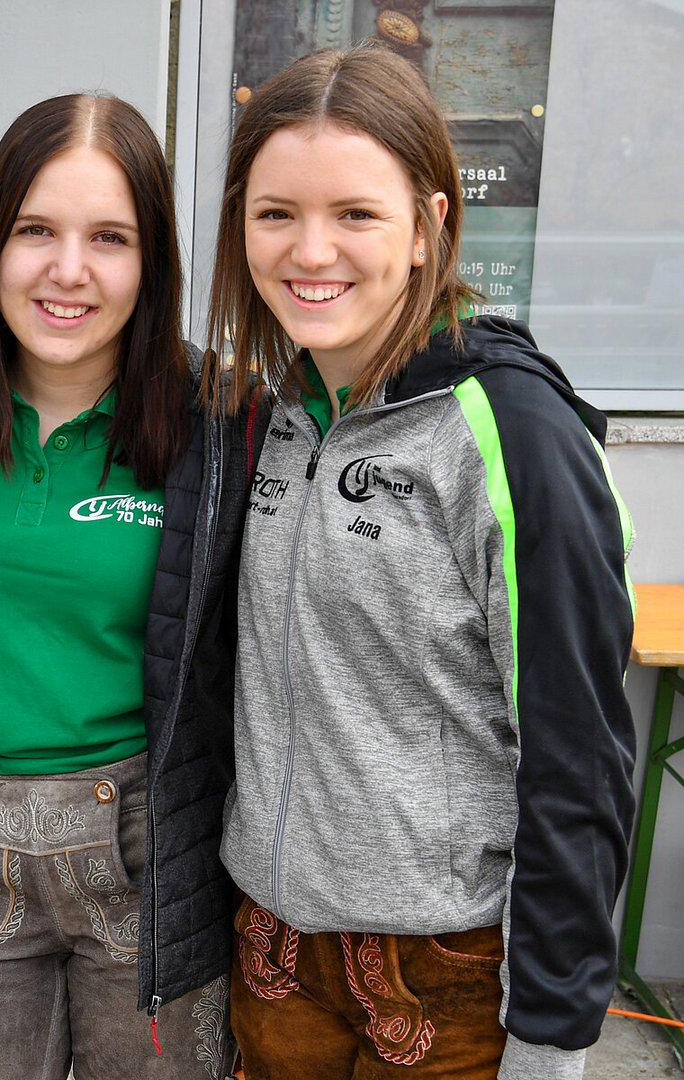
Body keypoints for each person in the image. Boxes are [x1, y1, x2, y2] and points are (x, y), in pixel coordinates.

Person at [203, 44, 635, 1080]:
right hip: (273, 947)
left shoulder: (513, 432)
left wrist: (552, 1034)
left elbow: (578, 751)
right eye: (276, 213)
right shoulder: (268, 413)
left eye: (355, 212)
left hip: (445, 965)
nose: (311, 250)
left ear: (427, 225)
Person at [0, 92, 254, 1079]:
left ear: (153, 262)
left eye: (110, 238)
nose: (68, 270)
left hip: (150, 848)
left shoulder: (222, 429)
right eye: (36, 230)